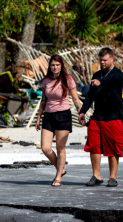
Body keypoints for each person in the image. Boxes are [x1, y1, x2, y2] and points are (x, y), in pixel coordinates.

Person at [77, 47, 123, 187]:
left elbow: (111, 81)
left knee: (113, 148)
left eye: (105, 60)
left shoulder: (117, 74)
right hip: (97, 117)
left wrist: (101, 83)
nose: (102, 62)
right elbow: (90, 96)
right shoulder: (97, 74)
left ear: (112, 59)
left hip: (113, 117)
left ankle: (112, 177)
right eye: (100, 60)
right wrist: (82, 111)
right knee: (93, 146)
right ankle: (96, 176)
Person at [35, 55, 82, 187]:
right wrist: (38, 117)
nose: (55, 67)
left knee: (60, 148)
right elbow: (43, 100)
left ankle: (58, 176)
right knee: (45, 148)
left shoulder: (68, 79)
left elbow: (75, 99)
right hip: (49, 116)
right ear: (49, 66)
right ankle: (61, 169)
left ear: (61, 66)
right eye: (53, 65)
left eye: (57, 65)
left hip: (63, 116)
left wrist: (80, 113)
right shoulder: (46, 81)